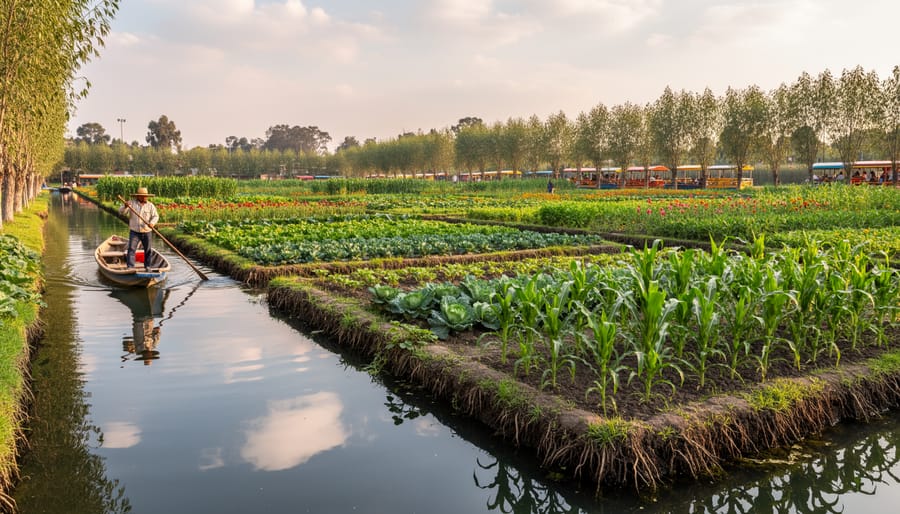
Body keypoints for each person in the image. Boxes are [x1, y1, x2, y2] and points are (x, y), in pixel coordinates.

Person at [119, 187, 159, 270]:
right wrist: (125, 206)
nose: (144, 198)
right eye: (142, 196)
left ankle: (147, 266)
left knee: (148, 250)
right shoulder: (131, 204)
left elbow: (156, 216)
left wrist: (152, 223)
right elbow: (121, 212)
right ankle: (130, 267)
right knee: (131, 249)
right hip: (135, 231)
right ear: (138, 196)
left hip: (146, 231)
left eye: (145, 196)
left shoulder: (150, 205)